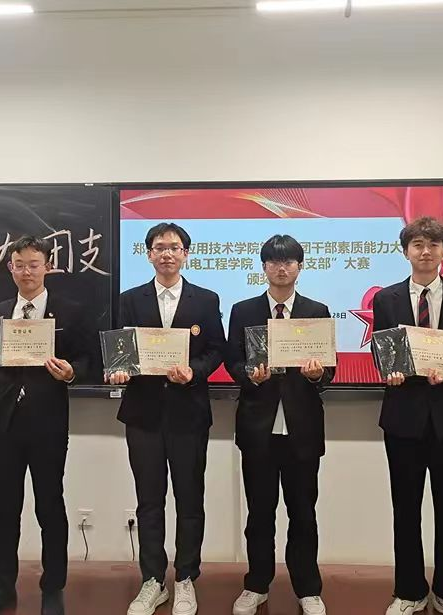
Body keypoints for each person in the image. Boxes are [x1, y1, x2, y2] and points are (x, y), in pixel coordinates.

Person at [0, 235, 94, 615]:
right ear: (11, 268)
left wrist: (71, 372)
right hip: (5, 424)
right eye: (19, 265)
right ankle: (3, 588)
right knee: (5, 510)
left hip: (49, 423)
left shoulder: (69, 312)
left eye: (34, 264)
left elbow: (87, 359)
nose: (27, 272)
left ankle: (52, 588)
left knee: (50, 507)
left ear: (47, 267)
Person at [108, 223, 226, 615]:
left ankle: (186, 578)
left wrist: (194, 371)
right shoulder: (130, 300)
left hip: (188, 413)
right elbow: (120, 349)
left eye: (175, 247)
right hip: (143, 414)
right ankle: (153, 581)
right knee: (149, 501)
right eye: (159, 247)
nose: (167, 254)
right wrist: (119, 370)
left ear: (186, 254)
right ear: (148, 254)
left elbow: (216, 349)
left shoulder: (205, 299)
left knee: (190, 499)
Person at [372, 217, 443, 615]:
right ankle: (409, 591)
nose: (425, 251)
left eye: (433, 245)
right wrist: (390, 371)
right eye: (418, 244)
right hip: (403, 418)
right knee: (405, 509)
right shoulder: (386, 299)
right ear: (406, 251)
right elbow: (382, 353)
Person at [225, 234, 335, 615]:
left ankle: (308, 588)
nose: (281, 268)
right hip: (259, 429)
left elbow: (330, 370)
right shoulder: (244, 310)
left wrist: (317, 374)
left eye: (288, 261)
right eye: (273, 261)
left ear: (300, 267)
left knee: (303, 513)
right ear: (264, 267)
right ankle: (256, 584)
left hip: (302, 429)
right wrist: (249, 375)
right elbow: (233, 360)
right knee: (259, 513)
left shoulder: (317, 310)